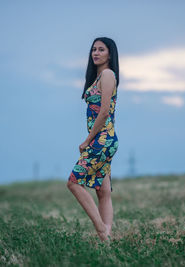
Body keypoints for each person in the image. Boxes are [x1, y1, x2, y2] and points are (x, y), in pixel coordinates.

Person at [66, 37, 119, 242]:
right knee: (103, 191)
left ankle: (102, 233)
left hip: (102, 139)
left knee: (73, 182)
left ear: (110, 54)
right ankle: (107, 241)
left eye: (101, 50)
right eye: (94, 49)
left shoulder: (107, 74)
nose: (96, 53)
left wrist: (88, 140)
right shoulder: (98, 77)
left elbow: (104, 112)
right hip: (106, 139)